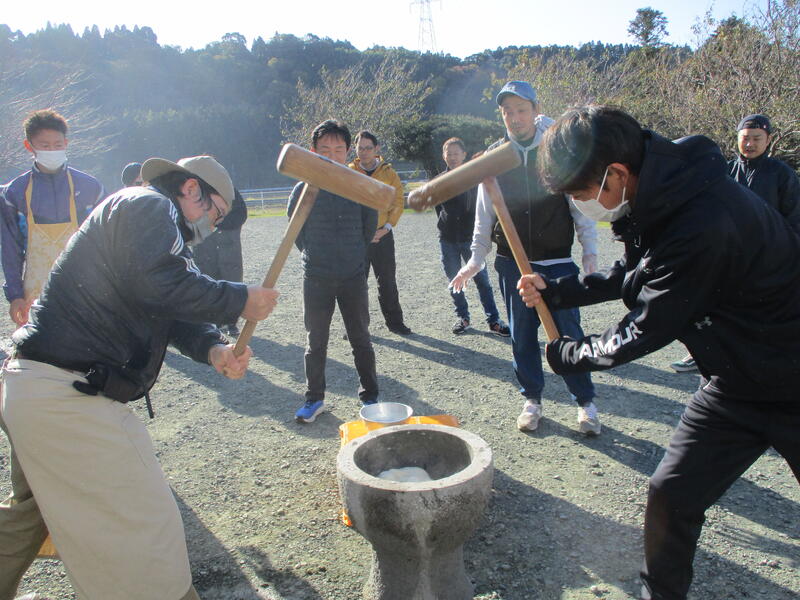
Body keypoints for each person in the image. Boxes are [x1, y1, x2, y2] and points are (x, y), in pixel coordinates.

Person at [518, 105, 800, 600]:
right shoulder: (662, 195)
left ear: (616, 174)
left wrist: (569, 354)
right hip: (735, 382)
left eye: (581, 195)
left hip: (794, 377)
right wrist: (558, 291)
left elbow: (646, 327)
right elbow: (638, 273)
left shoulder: (704, 220)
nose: (581, 205)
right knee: (671, 496)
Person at [0, 155, 279, 600]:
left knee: (27, 519)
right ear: (191, 189)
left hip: (37, 390)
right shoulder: (147, 205)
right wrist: (239, 298)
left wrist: (215, 349)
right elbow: (158, 284)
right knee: (146, 523)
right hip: (64, 396)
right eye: (216, 213)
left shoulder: (156, 232)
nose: (213, 226)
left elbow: (171, 309)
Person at [450, 81, 600, 435]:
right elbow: (484, 215)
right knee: (522, 335)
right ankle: (532, 399)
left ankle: (585, 403)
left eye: (521, 110)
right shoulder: (495, 159)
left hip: (557, 264)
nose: (514, 118)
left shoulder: (557, 152)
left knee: (568, 333)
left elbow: (579, 205)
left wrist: (590, 252)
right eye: (507, 112)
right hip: (512, 265)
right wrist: (475, 259)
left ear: (535, 110)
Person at [670, 113, 800, 373]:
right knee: (709, 306)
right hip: (724, 256)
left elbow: (794, 219)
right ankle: (701, 354)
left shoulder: (782, 175)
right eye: (745, 138)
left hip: (766, 259)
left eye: (756, 138)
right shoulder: (723, 172)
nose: (749, 144)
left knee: (759, 311)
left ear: (768, 140)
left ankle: (759, 362)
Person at [291, 120, 379, 424]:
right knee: (315, 341)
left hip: (353, 276)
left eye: (338, 149)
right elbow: (296, 233)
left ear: (347, 151)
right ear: (313, 151)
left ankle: (371, 397)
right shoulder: (303, 188)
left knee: (360, 337)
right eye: (324, 149)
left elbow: (368, 229)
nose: (332, 155)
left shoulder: (359, 187)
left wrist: (351, 256)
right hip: (316, 277)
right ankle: (314, 399)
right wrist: (317, 256)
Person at [0, 109, 104, 327]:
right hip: (35, 295)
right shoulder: (14, 193)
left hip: (85, 292)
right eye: (45, 146)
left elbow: (107, 242)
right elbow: (10, 249)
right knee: (38, 344)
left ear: (66, 143)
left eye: (57, 145)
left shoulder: (90, 188)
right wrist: (15, 295)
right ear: (29, 146)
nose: (52, 150)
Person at [435, 137, 509, 337]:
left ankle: (493, 320)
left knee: (482, 281)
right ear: (444, 156)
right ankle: (463, 317)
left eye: (456, 153)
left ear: (464, 155)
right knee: (454, 280)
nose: (452, 157)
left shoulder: (475, 178)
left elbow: (484, 207)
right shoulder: (439, 180)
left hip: (471, 238)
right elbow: (438, 208)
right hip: (448, 239)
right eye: (449, 154)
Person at [349, 130, 412, 335]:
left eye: (368, 148)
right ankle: (357, 327)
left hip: (382, 235)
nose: (364, 152)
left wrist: (387, 227)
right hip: (357, 238)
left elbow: (398, 202)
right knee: (356, 285)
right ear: (355, 149)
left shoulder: (389, 173)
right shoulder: (349, 171)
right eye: (360, 148)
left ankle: (395, 323)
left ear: (376, 148)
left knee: (387, 282)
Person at [192, 188, 249, 336]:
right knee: (208, 277)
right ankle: (214, 320)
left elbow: (241, 213)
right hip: (205, 240)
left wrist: (220, 224)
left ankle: (231, 321)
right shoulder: (194, 188)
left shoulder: (229, 189)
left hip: (227, 240)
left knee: (231, 279)